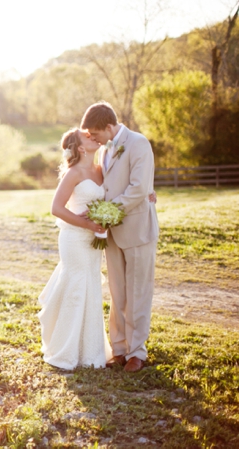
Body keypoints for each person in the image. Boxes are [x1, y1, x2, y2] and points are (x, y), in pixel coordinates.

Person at [81, 101, 159, 373]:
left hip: (137, 230)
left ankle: (138, 352)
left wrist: (108, 211)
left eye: (95, 133)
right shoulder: (105, 149)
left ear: (109, 126)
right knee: (117, 293)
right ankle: (120, 349)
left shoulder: (138, 144)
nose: (92, 138)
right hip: (111, 233)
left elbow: (139, 188)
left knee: (138, 292)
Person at [38, 128, 113, 370]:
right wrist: (87, 223)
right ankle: (65, 351)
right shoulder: (74, 173)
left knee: (90, 286)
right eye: (87, 136)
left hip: (94, 239)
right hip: (73, 238)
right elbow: (57, 208)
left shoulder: (101, 169)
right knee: (77, 287)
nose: (93, 136)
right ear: (80, 148)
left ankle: (90, 352)